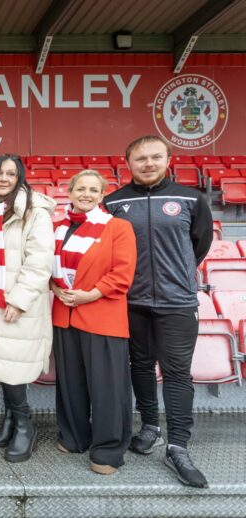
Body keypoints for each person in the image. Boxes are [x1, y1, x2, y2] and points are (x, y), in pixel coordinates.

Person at [104, 136, 213, 488]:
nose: (148, 163)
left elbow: (200, 243)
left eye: (155, 157)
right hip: (131, 303)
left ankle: (178, 446)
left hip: (177, 303)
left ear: (168, 158)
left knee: (178, 373)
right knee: (140, 366)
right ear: (128, 163)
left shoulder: (192, 198)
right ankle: (149, 426)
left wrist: (176, 275)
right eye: (140, 159)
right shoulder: (113, 203)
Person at [50, 170, 136, 475]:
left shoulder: (118, 228)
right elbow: (49, 268)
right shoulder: (57, 227)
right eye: (80, 189)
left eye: (93, 190)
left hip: (102, 315)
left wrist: (90, 295)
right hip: (64, 314)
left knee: (107, 387)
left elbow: (122, 273)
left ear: (102, 195)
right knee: (70, 384)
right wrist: (56, 287)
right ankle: (74, 436)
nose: (85, 194)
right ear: (70, 192)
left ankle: (109, 449)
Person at [0, 154, 54, 463]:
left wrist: (19, 300)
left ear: (20, 178)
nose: (4, 179)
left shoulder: (35, 212)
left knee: (14, 365)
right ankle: (10, 418)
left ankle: (25, 425)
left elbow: (40, 260)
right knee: (3, 361)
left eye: (11, 174)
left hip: (16, 302)